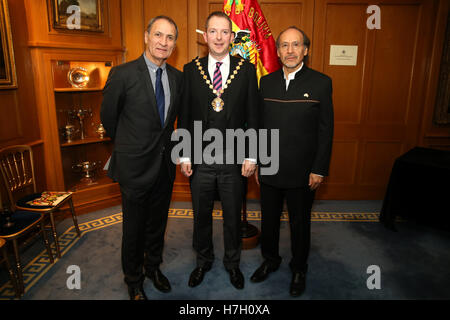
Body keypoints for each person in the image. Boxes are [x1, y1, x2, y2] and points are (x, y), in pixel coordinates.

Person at [100, 16, 183, 300]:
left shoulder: (177, 77)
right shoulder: (122, 74)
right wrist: (130, 146)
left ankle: (153, 268)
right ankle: (133, 280)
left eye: (170, 37)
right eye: (158, 35)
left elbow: (172, 122)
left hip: (165, 167)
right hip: (134, 167)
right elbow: (109, 119)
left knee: (158, 225)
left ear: (174, 43)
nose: (164, 42)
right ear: (146, 36)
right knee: (133, 229)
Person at [177, 11, 258, 290]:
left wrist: (252, 155)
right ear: (205, 36)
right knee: (201, 214)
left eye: (225, 32)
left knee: (233, 216)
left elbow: (254, 115)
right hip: (200, 159)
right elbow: (184, 114)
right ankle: (203, 261)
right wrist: (184, 154)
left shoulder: (246, 70)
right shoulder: (191, 69)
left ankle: (233, 264)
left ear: (232, 37)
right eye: (213, 31)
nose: (219, 37)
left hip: (234, 160)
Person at [251, 26, 334, 297]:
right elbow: (260, 126)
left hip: (303, 172)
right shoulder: (267, 82)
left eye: (295, 45)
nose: (290, 50)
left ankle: (299, 268)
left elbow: (326, 130)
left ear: (305, 50)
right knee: (269, 220)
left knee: (300, 223)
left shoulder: (322, 82)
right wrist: (259, 162)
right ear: (277, 51)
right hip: (270, 167)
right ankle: (270, 260)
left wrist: (319, 169)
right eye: (284, 45)